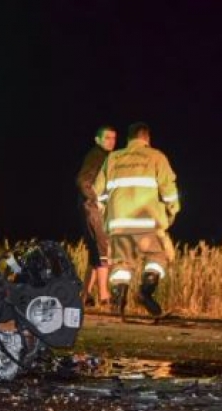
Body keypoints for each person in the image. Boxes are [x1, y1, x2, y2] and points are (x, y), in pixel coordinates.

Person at [93, 122, 180, 317]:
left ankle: (118, 303)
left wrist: (107, 213)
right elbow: (169, 191)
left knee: (121, 265)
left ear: (128, 139)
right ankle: (145, 292)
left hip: (118, 223)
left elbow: (98, 194)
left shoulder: (113, 158)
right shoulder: (156, 157)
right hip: (147, 222)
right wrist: (172, 210)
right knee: (157, 257)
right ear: (147, 138)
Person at [76, 126, 116, 308]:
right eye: (107, 138)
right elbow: (83, 181)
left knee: (95, 252)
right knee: (103, 248)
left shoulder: (105, 157)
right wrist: (96, 200)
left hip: (92, 207)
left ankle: (84, 295)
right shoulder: (97, 156)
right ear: (97, 140)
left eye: (113, 138)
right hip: (93, 208)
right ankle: (104, 296)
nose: (111, 141)